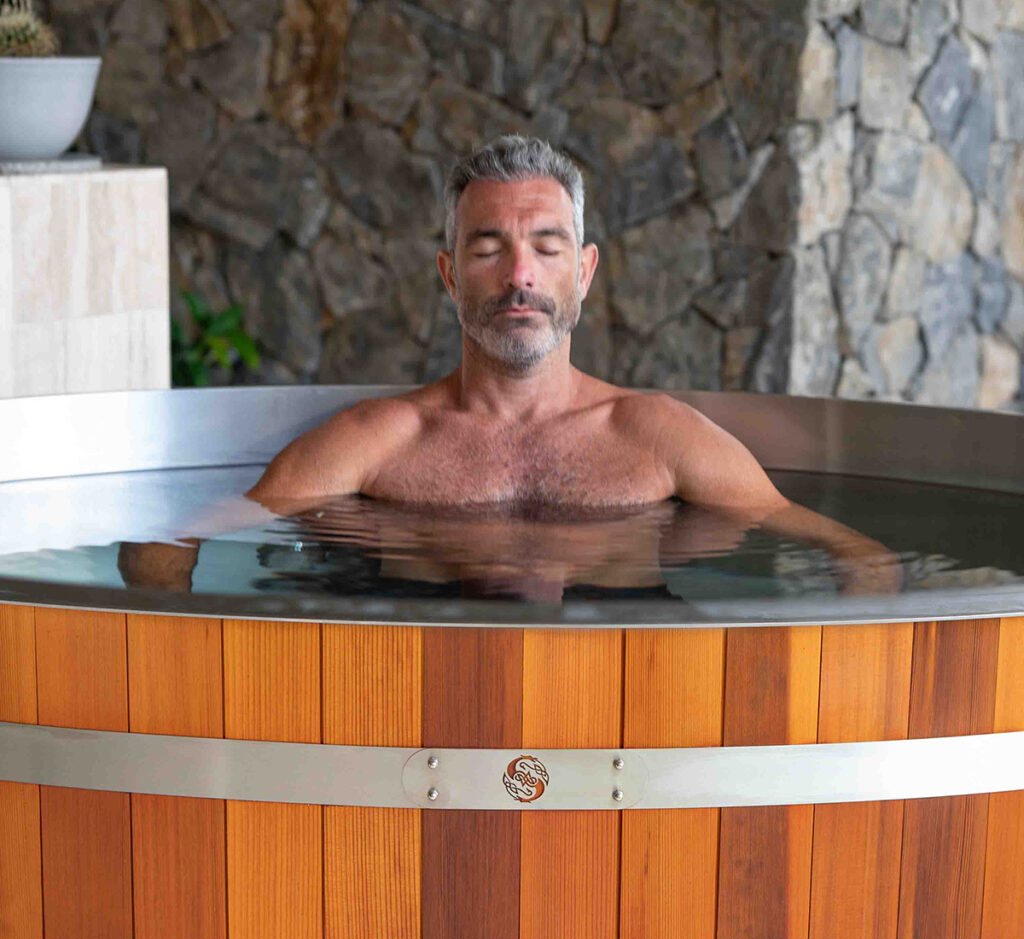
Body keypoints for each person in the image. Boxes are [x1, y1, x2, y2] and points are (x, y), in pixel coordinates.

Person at [119, 135, 900, 598]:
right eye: (488, 247)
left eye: (547, 247)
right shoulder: (381, 439)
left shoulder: (656, 435)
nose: (519, 274)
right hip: (420, 708)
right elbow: (176, 539)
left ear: (584, 271)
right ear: (451, 274)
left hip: (629, 708)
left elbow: (856, 552)